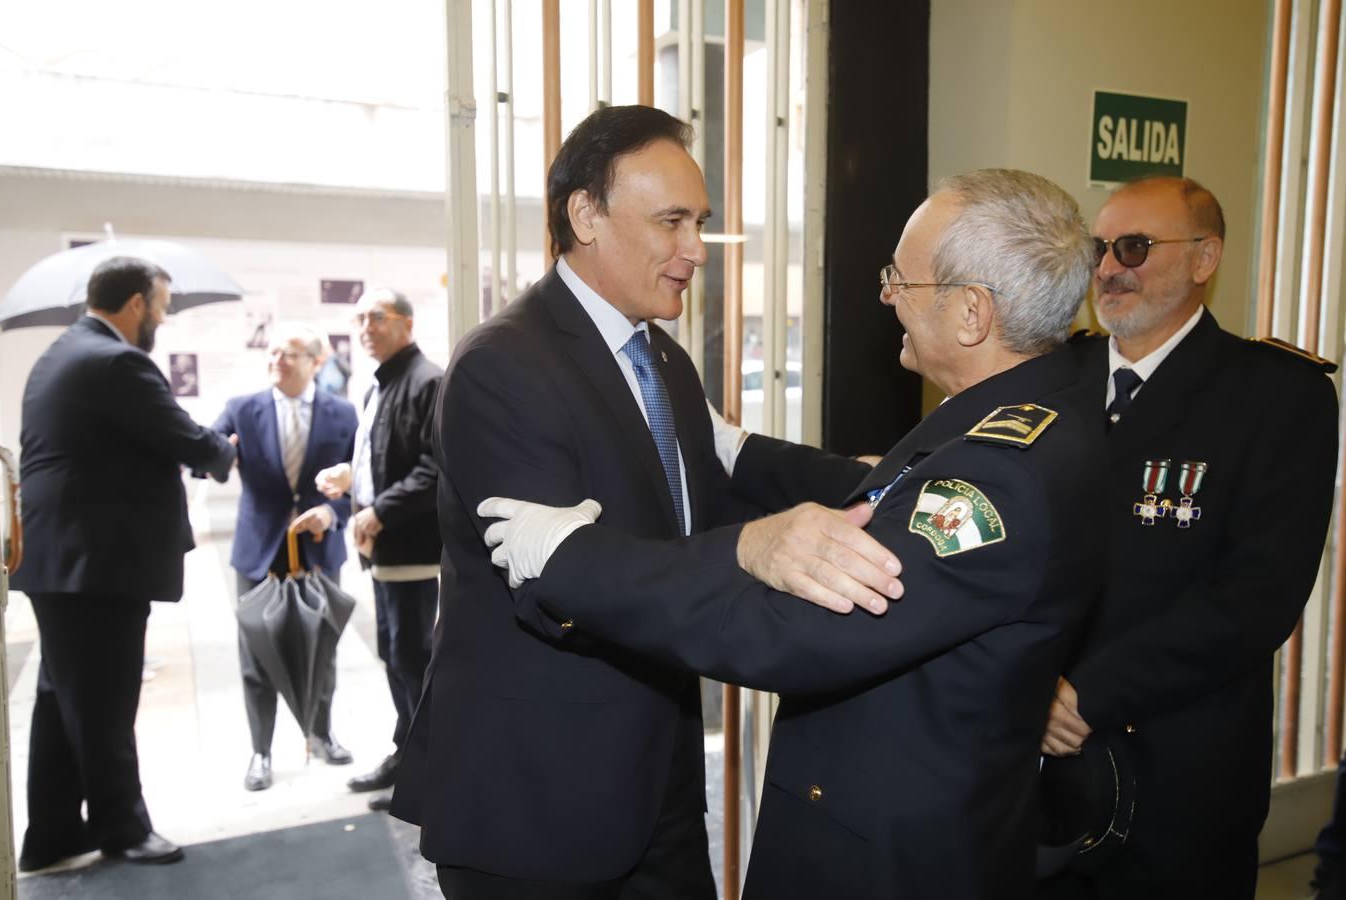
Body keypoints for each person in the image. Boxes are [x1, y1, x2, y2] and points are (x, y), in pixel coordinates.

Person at [478, 168, 1107, 899]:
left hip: (886, 862)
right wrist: (743, 453)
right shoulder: (1034, 417)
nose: (886, 297)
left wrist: (571, 560)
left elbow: (789, 631)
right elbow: (879, 493)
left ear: (971, 314)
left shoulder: (998, 479)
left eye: (900, 280)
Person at [389, 104, 902, 900]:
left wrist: (888, 478)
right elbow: (565, 578)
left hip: (652, 776)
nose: (696, 250)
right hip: (535, 798)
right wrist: (749, 549)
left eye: (698, 222)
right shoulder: (503, 366)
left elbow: (722, 479)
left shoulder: (658, 355)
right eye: (671, 222)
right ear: (585, 215)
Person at [1036, 176, 1339, 900]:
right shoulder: (1051, 378)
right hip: (1037, 763)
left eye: (1134, 247)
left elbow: (1256, 598)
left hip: (1178, 774)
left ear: (1205, 259)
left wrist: (1089, 694)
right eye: (1099, 249)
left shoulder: (1277, 395)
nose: (1109, 268)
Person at [12, 256, 236, 869]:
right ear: (136, 303)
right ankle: (122, 828)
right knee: (106, 702)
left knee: (64, 703)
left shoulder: (61, 354)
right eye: (161, 306)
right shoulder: (116, 361)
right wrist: (223, 449)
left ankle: (53, 833)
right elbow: (181, 435)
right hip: (96, 565)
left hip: (65, 561)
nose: (161, 318)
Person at [212, 324, 358, 791]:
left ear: (315, 361)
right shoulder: (242, 409)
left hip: (317, 550)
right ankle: (261, 751)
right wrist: (219, 455)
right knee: (257, 654)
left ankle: (321, 732)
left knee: (322, 646)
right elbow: (206, 457)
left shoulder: (342, 413)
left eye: (290, 353)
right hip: (259, 552)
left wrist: (330, 512)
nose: (277, 359)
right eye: (273, 352)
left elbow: (360, 481)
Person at [314, 286, 442, 811]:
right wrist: (351, 479)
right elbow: (385, 455)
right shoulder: (380, 386)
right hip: (388, 554)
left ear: (406, 324)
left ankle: (431, 771)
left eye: (377, 318)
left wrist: (378, 510)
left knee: (413, 659)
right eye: (360, 319)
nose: (366, 327)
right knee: (395, 657)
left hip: (416, 552)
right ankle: (406, 754)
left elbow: (434, 467)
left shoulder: (428, 382)